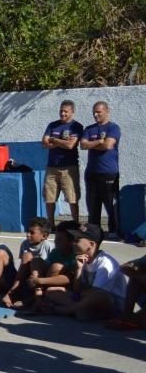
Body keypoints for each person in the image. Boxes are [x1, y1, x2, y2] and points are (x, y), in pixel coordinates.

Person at [40, 223, 128, 320]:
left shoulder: (105, 263)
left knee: (100, 295)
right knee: (51, 291)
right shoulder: (83, 259)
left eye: (77, 240)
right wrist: (79, 269)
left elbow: (95, 293)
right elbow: (77, 290)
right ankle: (78, 310)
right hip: (85, 299)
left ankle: (67, 310)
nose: (73, 243)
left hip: (111, 305)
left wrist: (80, 295)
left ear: (91, 244)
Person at [41, 100, 83, 229]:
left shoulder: (76, 126)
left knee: (72, 198)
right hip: (52, 167)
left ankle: (75, 224)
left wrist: (54, 140)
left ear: (72, 112)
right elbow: (44, 143)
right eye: (61, 111)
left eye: (66, 111)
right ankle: (51, 225)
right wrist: (62, 142)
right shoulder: (52, 125)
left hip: (69, 168)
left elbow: (71, 145)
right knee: (49, 198)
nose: (63, 114)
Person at [81, 101, 120, 237]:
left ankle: (114, 231)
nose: (95, 115)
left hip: (108, 173)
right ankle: (94, 232)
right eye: (94, 112)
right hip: (91, 173)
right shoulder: (89, 129)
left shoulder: (113, 128)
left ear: (107, 111)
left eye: (98, 112)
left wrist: (91, 144)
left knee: (110, 204)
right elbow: (83, 145)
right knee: (93, 206)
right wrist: (99, 142)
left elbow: (108, 145)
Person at [1, 217, 54, 309]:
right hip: (27, 278)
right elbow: (22, 266)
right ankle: (13, 292)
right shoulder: (25, 244)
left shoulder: (49, 246)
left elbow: (51, 268)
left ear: (44, 236)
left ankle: (33, 298)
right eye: (27, 231)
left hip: (41, 279)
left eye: (32, 233)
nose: (28, 235)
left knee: (35, 260)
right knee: (27, 256)